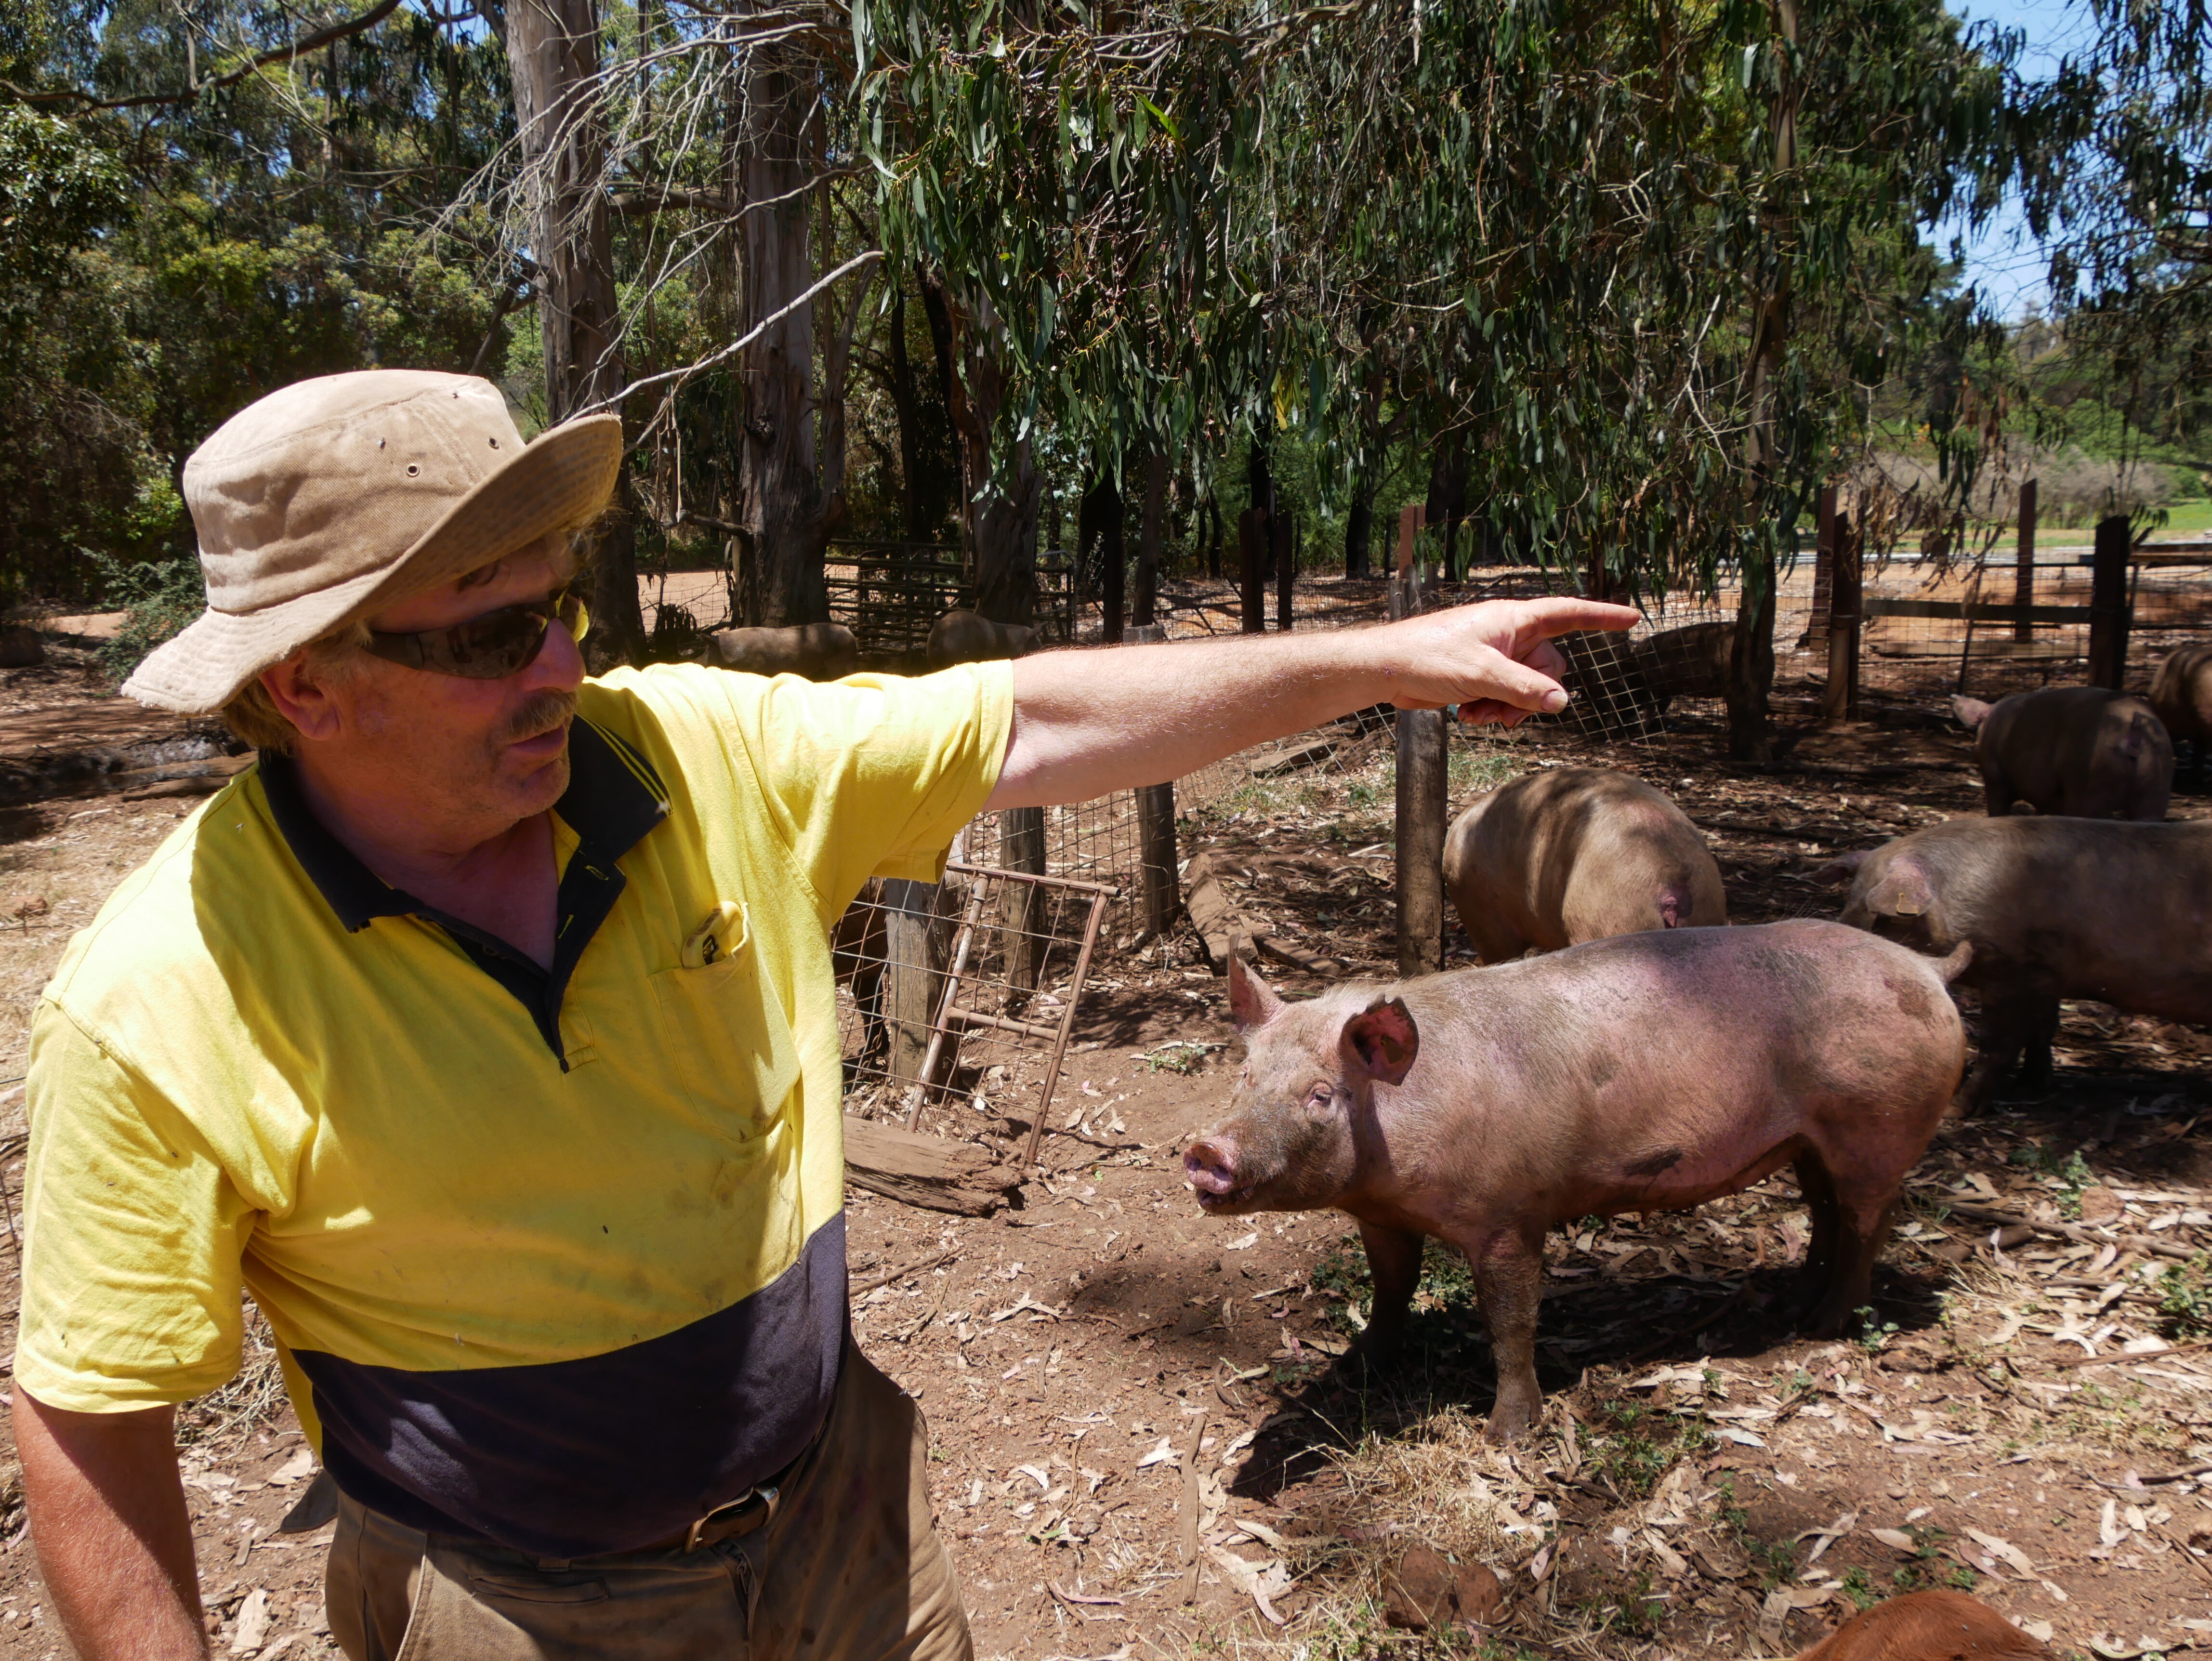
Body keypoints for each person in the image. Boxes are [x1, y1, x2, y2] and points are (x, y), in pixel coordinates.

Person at [12, 370, 1634, 1661]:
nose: (566, 667)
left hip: (847, 1505)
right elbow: (89, 1416)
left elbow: (1026, 720)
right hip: (505, 1607)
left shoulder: (694, 757)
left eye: (563, 606)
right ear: (304, 683)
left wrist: (1381, 659)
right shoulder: (167, 991)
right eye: (497, 636)